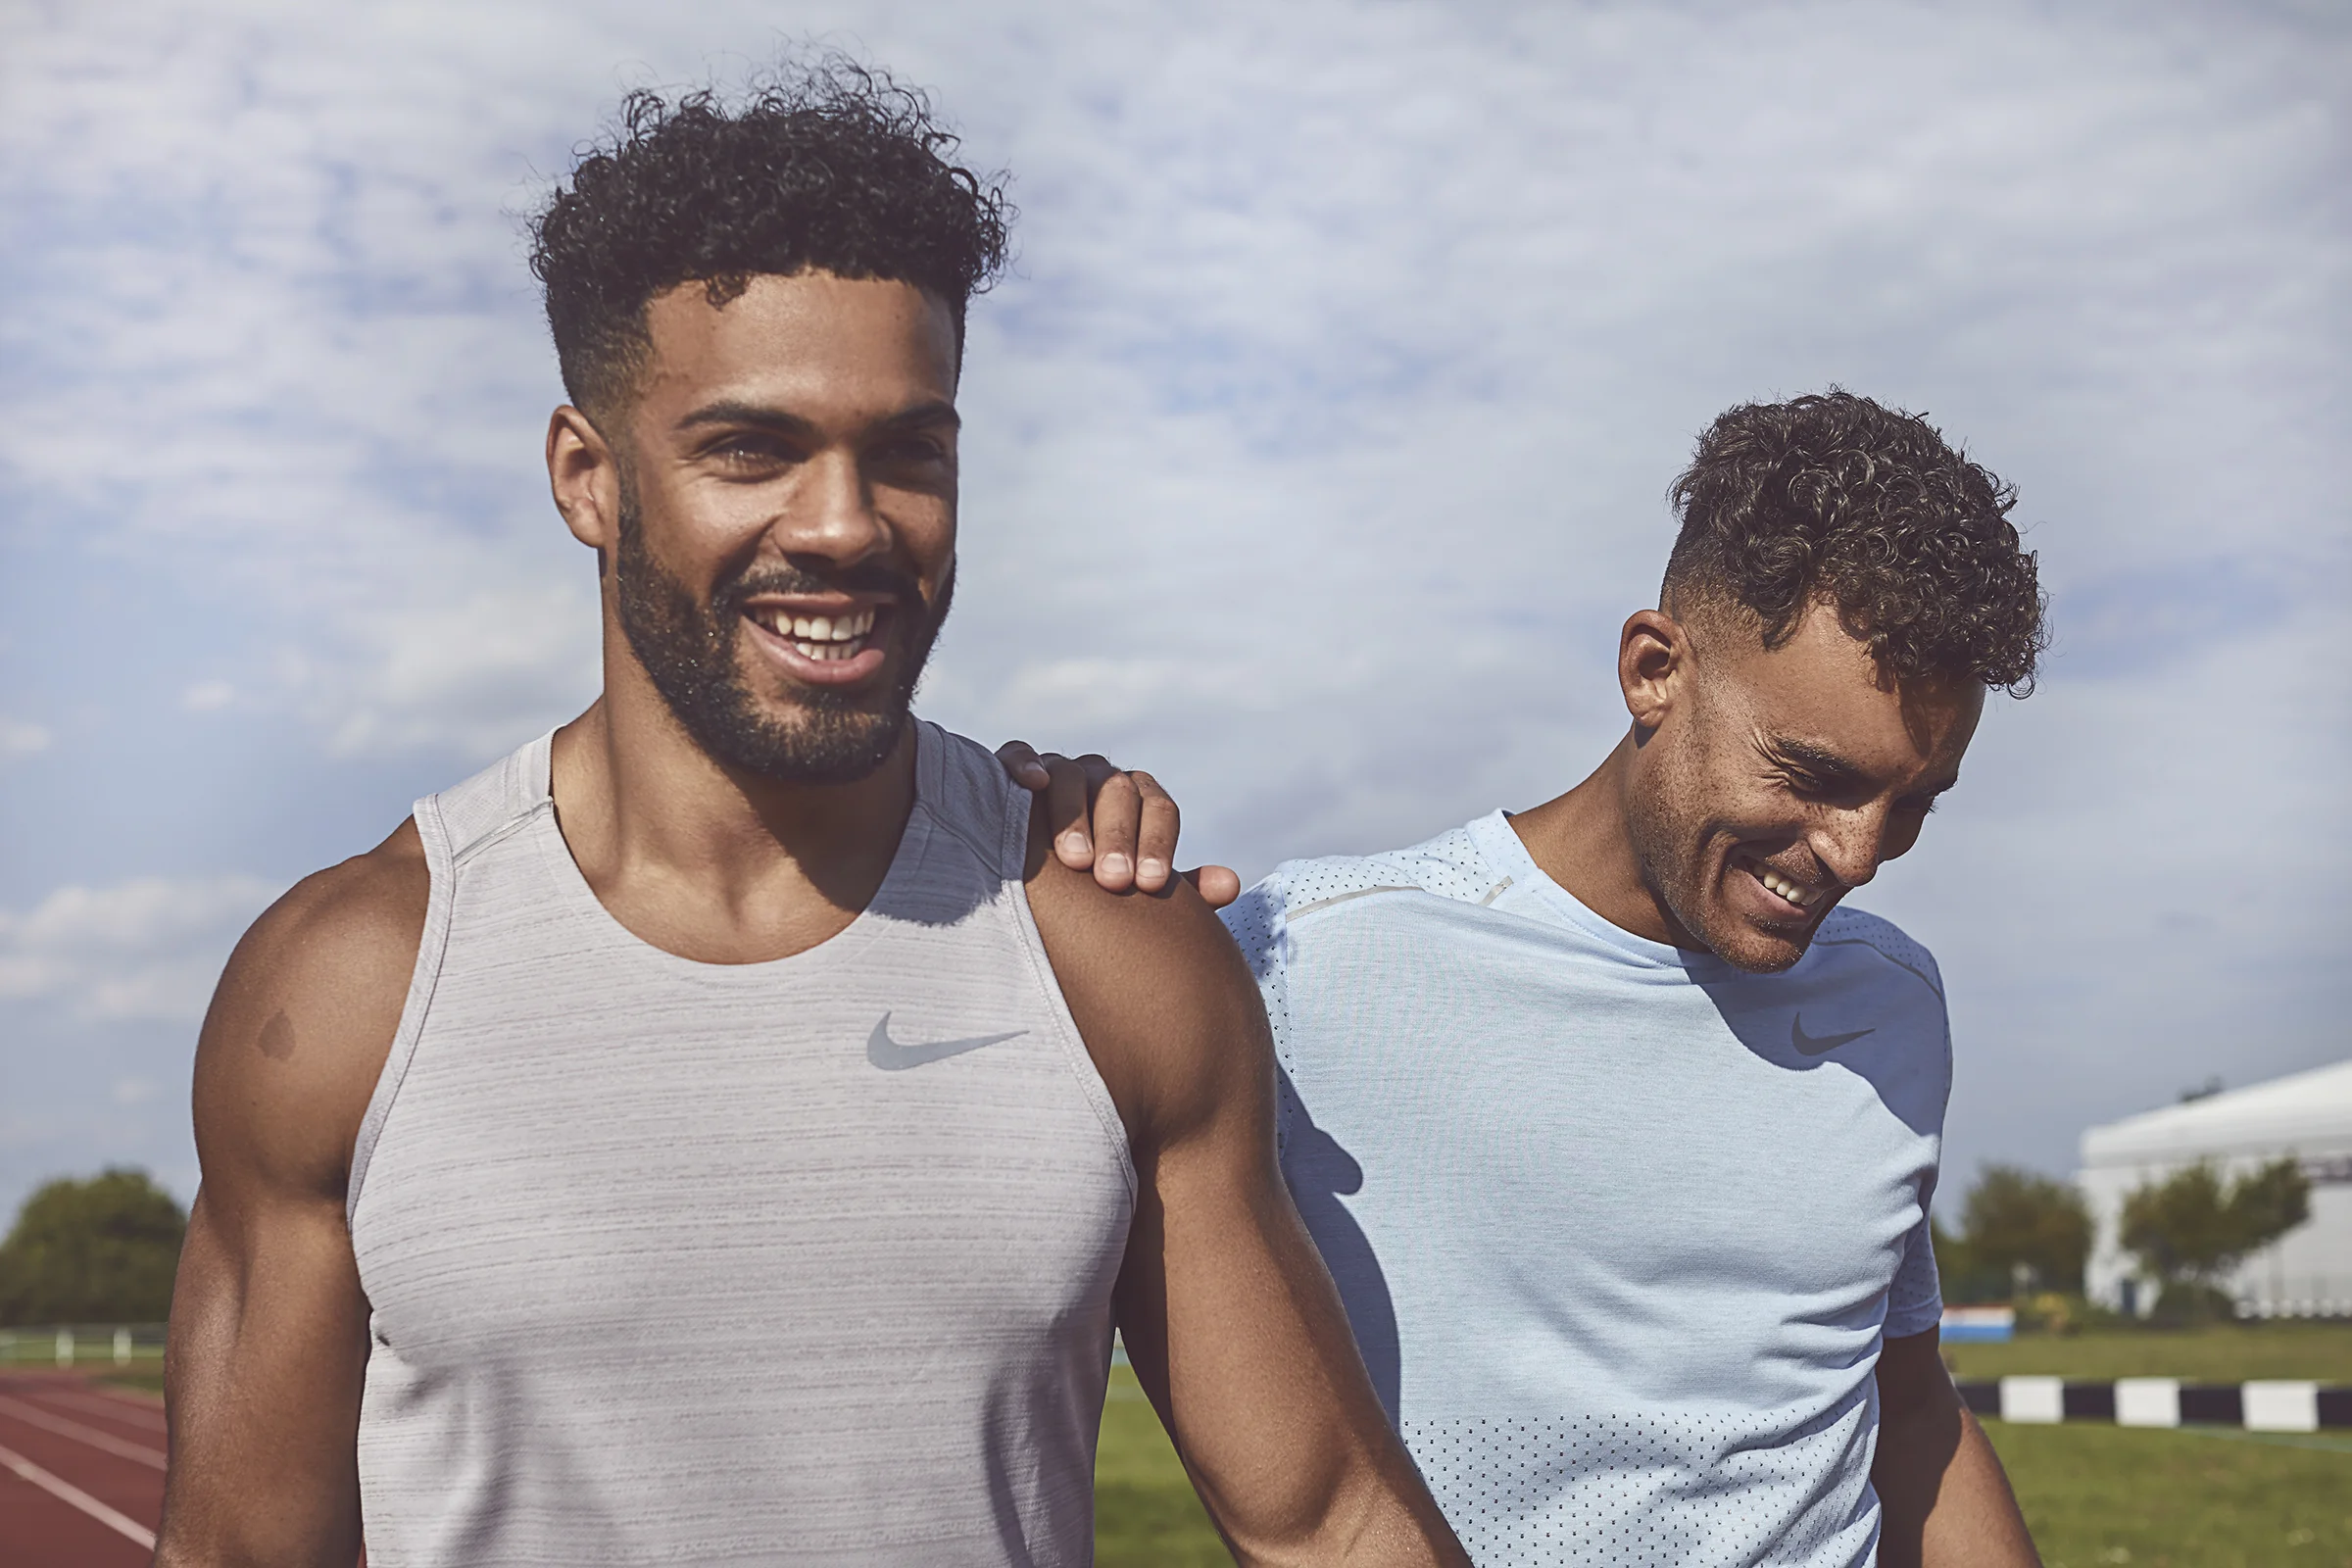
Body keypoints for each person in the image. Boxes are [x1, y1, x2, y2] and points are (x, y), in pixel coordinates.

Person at [154, 65, 1463, 1567]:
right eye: (750, 449)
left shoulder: (1105, 942)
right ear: (589, 478)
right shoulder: (350, 983)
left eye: (908, 450)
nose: (845, 525)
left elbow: (1333, 1521)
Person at [1017, 391, 2047, 1565]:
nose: (1858, 855)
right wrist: (1031, 845)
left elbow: (1907, 1412)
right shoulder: (1300, 961)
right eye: (1811, 774)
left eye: (1911, 802)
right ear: (1654, 669)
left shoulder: (1893, 1006)